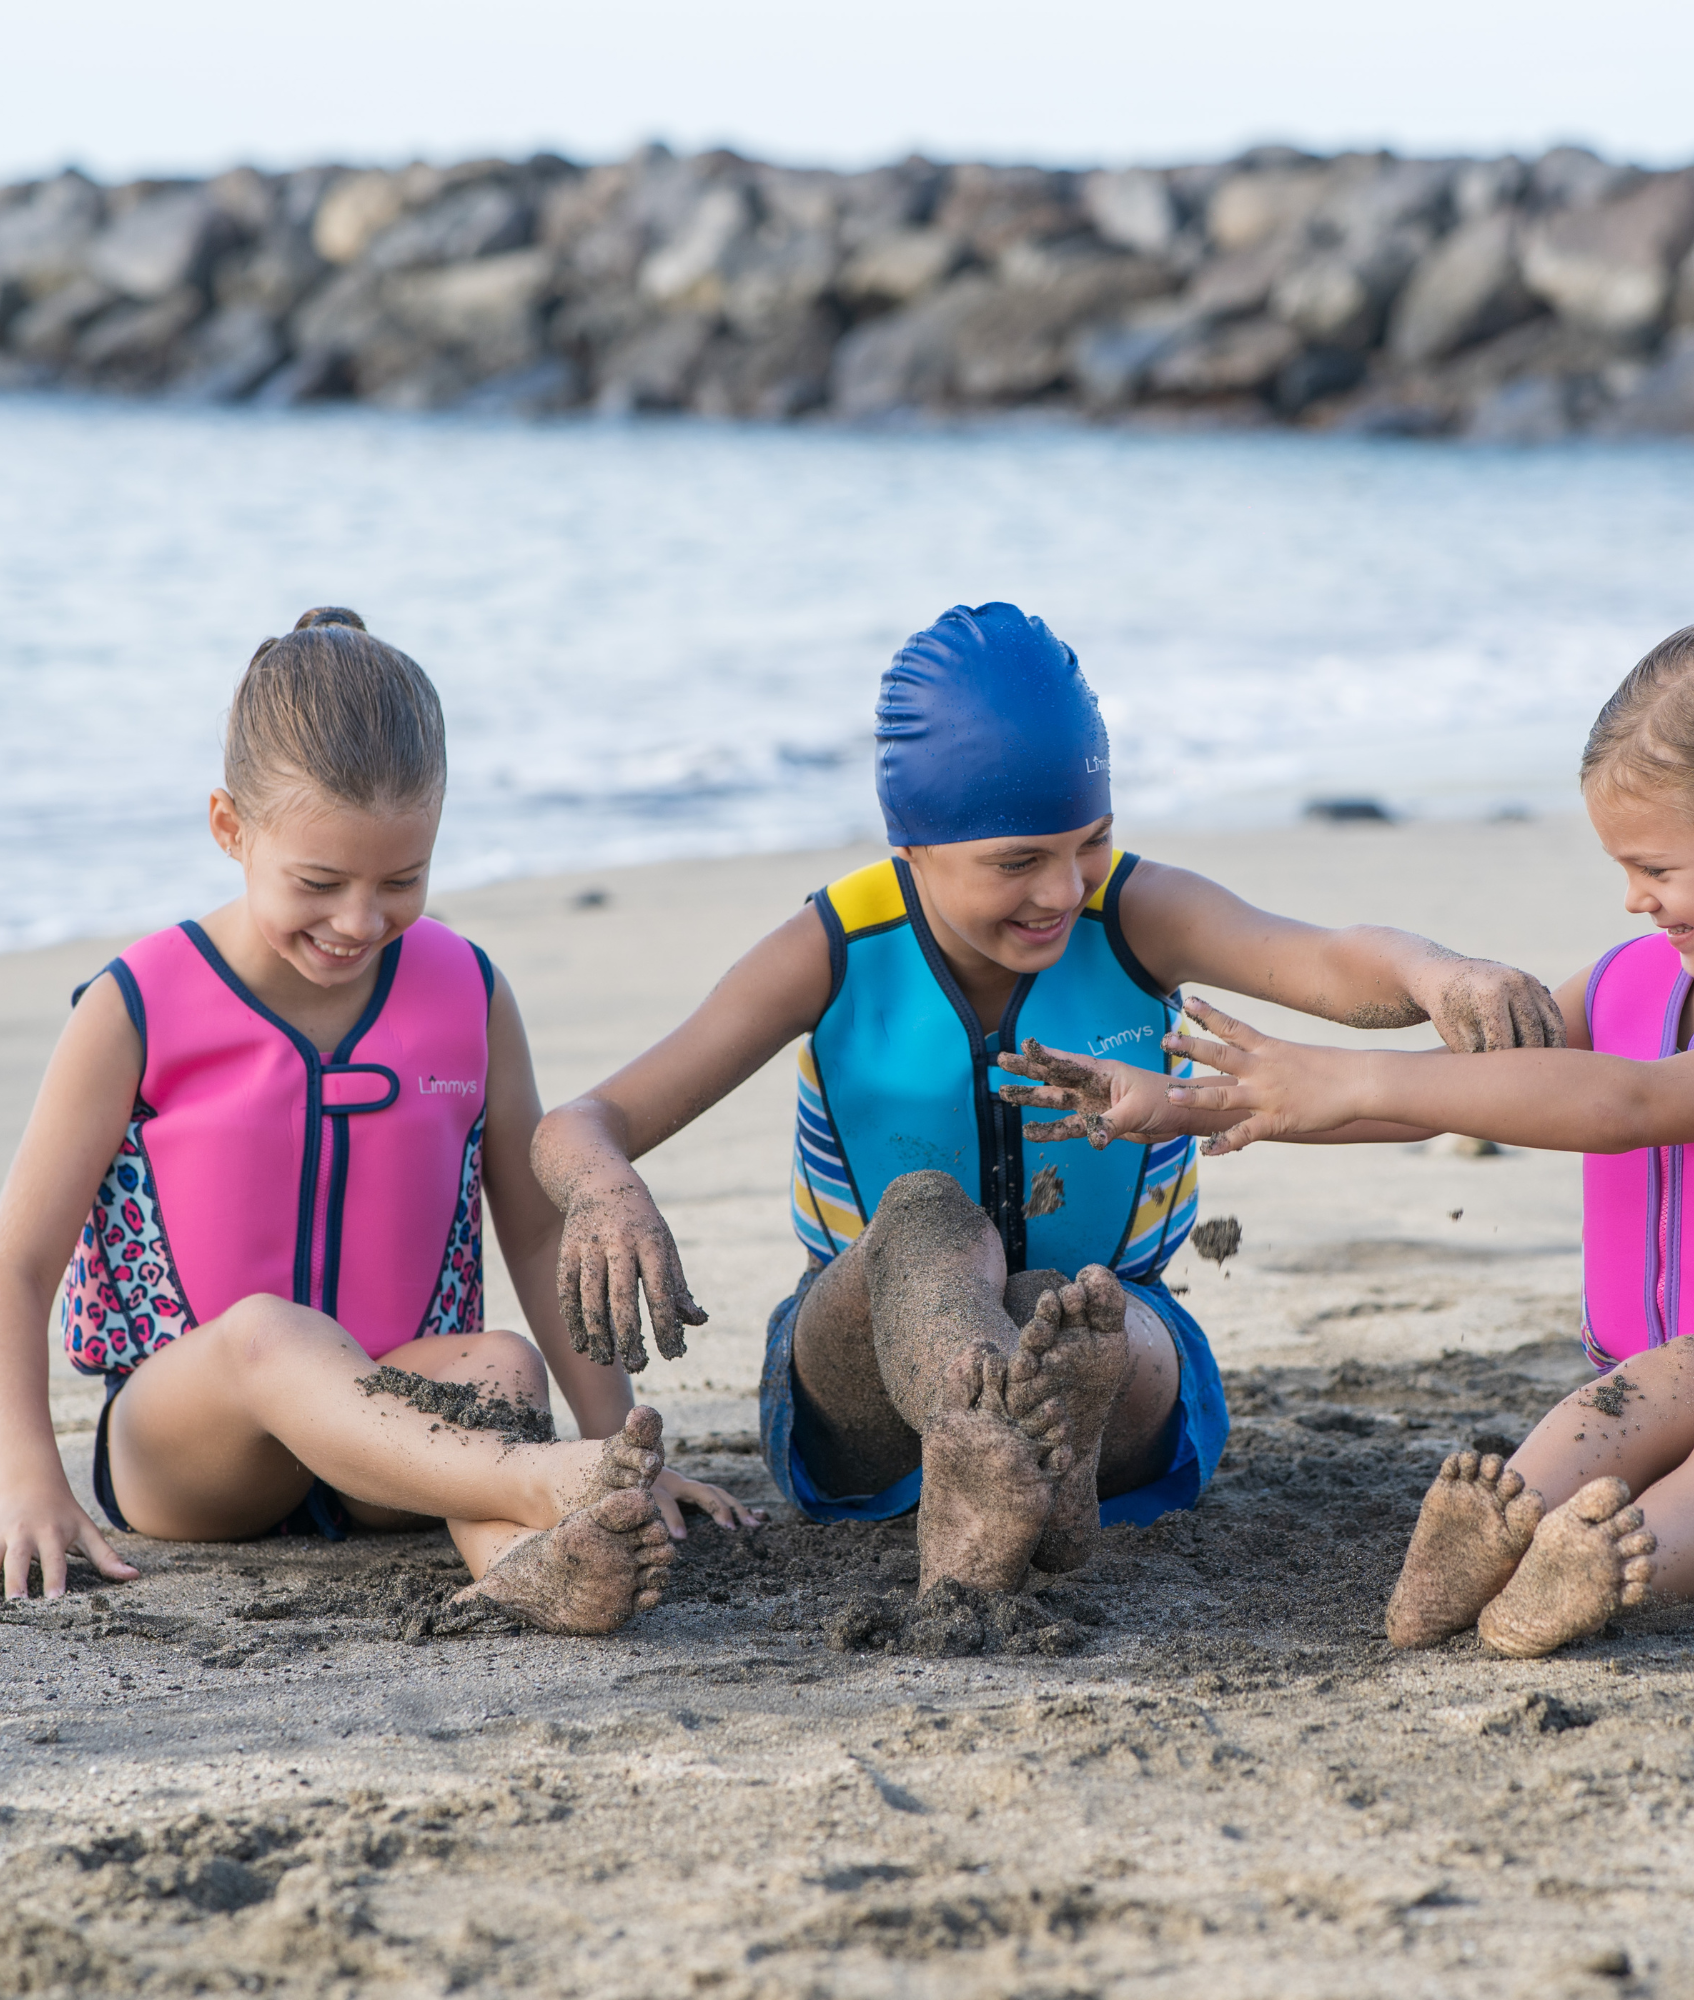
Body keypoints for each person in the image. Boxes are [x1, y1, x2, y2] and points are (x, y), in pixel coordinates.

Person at [532, 601, 1564, 1597]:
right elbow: (582, 1122)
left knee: (1076, 1317)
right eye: (1017, 860)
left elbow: (1330, 959)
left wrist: (1440, 974)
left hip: (1116, 1376)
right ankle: (991, 1441)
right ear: (909, 848)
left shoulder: (1138, 914)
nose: (1064, 889)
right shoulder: (833, 948)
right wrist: (606, 1192)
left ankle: (1012, 1471)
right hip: (861, 1385)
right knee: (923, 1218)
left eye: (1089, 842)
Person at [1007, 620, 1694, 1656]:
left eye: (1655, 866)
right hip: (1677, 1397)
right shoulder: (1631, 981)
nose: (1633, 899)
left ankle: (1602, 1567)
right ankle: (1498, 1529)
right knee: (1680, 1369)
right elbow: (1453, 1092)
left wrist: (1350, 1073)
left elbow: (1632, 1105)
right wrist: (1181, 1101)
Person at [0, 608, 757, 1632]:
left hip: (404, 1434)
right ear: (230, 828)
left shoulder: (469, 994)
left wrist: (618, 1435)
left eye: (402, 881)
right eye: (319, 883)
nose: (360, 921)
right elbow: (19, 1262)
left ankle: (534, 1562)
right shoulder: (132, 1006)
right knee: (270, 1332)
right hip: (194, 1448)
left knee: (502, 1362)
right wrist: (27, 1475)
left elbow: (538, 1234)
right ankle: (543, 1482)